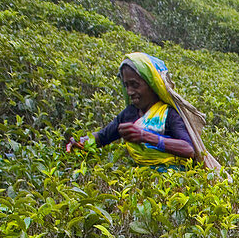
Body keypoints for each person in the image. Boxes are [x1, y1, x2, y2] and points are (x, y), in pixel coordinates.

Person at [66, 52, 220, 171]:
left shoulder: (169, 114)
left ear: (152, 84)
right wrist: (81, 142)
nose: (130, 91)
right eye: (126, 85)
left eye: (135, 84)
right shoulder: (129, 114)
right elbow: (102, 137)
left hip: (175, 185)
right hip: (142, 183)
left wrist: (145, 136)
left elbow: (188, 149)